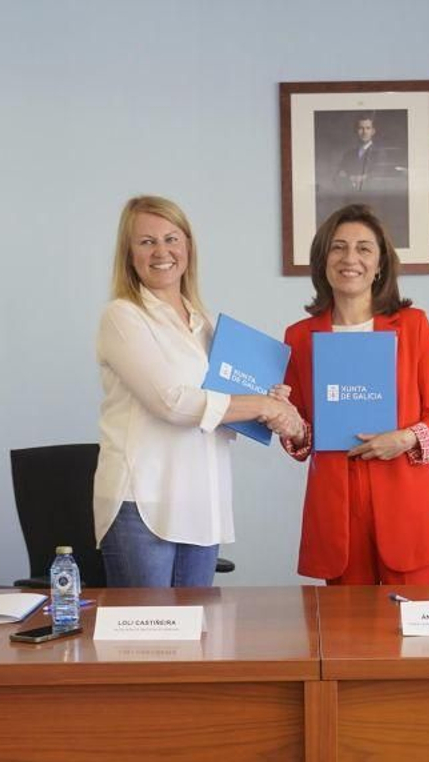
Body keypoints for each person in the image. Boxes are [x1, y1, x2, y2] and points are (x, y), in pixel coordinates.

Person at [94, 195, 302, 587]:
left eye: (172, 239)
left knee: (198, 625)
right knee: (149, 628)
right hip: (144, 501)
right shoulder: (122, 316)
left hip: (201, 499)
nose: (162, 251)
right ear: (129, 254)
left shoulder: (203, 322)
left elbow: (225, 404)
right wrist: (259, 404)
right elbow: (171, 402)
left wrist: (271, 403)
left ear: (188, 247)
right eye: (147, 242)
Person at [277, 203, 429, 585]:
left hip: (406, 506)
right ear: (323, 260)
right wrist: (286, 422)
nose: (350, 258)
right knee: (346, 625)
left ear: (379, 265)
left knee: (413, 623)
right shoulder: (300, 337)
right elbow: (303, 435)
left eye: (363, 248)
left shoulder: (413, 326)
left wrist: (404, 438)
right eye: (338, 247)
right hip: (337, 514)